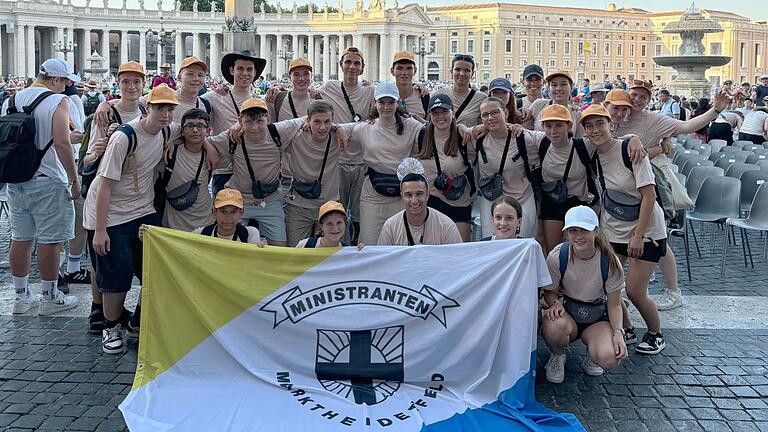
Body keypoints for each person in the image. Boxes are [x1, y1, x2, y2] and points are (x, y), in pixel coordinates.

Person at [83, 84, 181, 355]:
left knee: (160, 269)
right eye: (160, 107)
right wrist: (101, 230)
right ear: (147, 108)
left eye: (170, 108)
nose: (165, 113)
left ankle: (138, 321)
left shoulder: (168, 130)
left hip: (142, 210)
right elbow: (103, 186)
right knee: (117, 277)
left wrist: (207, 145)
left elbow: (192, 132)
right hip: (110, 214)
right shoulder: (124, 138)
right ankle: (110, 327)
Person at [581, 104, 667, 355]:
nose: (595, 130)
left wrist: (638, 236)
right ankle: (626, 328)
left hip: (647, 231)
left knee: (634, 290)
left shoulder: (631, 151)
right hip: (614, 229)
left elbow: (649, 196)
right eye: (589, 126)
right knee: (603, 283)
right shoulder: (594, 155)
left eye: (600, 123)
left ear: (611, 125)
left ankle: (655, 333)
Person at [1, 58, 81, 316]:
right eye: (66, 81)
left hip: (17, 177)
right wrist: (73, 178)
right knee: (51, 240)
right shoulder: (57, 101)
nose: (67, 86)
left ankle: (21, 296)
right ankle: (50, 295)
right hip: (48, 178)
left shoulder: (10, 101)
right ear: (55, 80)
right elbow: (60, 142)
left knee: (20, 238)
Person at [540, 206, 628, 383]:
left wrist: (618, 331)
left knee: (609, 358)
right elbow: (549, 292)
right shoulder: (558, 256)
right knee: (553, 327)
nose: (578, 235)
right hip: (568, 313)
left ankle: (593, 354)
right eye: (573, 230)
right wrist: (555, 303)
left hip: (597, 317)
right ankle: (558, 355)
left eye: (584, 230)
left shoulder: (609, 261)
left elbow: (615, 303)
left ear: (596, 232)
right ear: (566, 233)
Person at [336, 81, 424, 245]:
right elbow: (338, 127)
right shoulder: (364, 128)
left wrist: (461, 127)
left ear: (398, 103)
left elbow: (431, 132)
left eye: (391, 102)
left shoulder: (410, 125)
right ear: (374, 103)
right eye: (382, 102)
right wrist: (337, 129)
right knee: (369, 243)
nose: (386, 107)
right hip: (372, 196)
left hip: (401, 195)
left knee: (401, 243)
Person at [207, 97, 302, 246]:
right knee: (233, 246)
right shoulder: (232, 137)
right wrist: (207, 148)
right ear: (240, 121)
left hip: (270, 200)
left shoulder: (278, 131)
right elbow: (203, 139)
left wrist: (338, 128)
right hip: (239, 201)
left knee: (280, 247)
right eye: (249, 122)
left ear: (268, 119)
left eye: (259, 121)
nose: (254, 127)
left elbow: (307, 118)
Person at [317, 47, 375, 244]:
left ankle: (355, 248)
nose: (352, 67)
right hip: (337, 161)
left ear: (362, 68)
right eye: (348, 62)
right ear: (340, 65)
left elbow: (380, 117)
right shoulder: (327, 88)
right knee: (337, 211)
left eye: (356, 63)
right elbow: (311, 112)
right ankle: (339, 248)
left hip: (362, 161)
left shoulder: (370, 91)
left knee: (360, 213)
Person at [474, 97, 537, 239]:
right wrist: (460, 127)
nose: (490, 118)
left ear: (506, 113)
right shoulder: (478, 138)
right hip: (491, 199)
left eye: (495, 112)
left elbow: (547, 138)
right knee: (491, 244)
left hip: (522, 197)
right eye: (485, 115)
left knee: (522, 244)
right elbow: (457, 130)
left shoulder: (523, 138)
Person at [205, 50, 266, 196]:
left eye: (249, 69)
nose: (245, 73)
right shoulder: (214, 98)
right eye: (240, 68)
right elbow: (189, 110)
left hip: (252, 168)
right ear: (232, 70)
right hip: (225, 170)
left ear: (254, 73)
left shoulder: (261, 102)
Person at [283, 100, 341, 246]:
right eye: (317, 122)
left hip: (329, 205)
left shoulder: (338, 135)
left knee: (332, 254)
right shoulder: (295, 137)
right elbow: (270, 128)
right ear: (307, 120)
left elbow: (365, 124)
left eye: (328, 121)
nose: (322, 127)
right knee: (295, 251)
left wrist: (338, 128)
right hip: (298, 206)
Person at [418, 95, 475, 241]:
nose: (440, 116)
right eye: (435, 113)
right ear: (429, 115)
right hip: (431, 203)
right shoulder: (421, 136)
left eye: (444, 111)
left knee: (460, 252)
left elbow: (489, 130)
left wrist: (512, 125)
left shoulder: (463, 136)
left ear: (453, 113)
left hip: (458, 202)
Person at [377, 159, 462, 246]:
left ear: (428, 194)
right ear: (402, 196)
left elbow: (458, 257)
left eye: (419, 194)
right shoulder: (390, 227)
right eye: (408, 195)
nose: (414, 201)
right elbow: (381, 257)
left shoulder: (446, 226)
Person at [158, 108, 214, 231]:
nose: (195, 130)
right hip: (174, 225)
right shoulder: (169, 152)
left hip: (206, 222)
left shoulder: (214, 152)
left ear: (208, 131)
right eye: (190, 126)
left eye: (200, 126)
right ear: (182, 131)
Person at [430, 54, 488, 127]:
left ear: (472, 74)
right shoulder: (438, 94)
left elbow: (487, 125)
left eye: (467, 70)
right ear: (451, 71)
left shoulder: (482, 98)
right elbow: (429, 123)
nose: (462, 74)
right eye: (458, 69)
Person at [527, 70, 584, 137]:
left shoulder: (577, 113)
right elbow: (526, 132)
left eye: (563, 84)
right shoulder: (538, 104)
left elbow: (579, 141)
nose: (558, 88)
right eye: (554, 85)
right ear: (549, 88)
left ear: (571, 87)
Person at [193, 188, 262, 244]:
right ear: (214, 212)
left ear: (241, 213)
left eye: (233, 212)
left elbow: (255, 260)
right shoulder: (199, 234)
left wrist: (261, 252)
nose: (228, 217)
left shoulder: (250, 235)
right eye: (223, 211)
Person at [390, 51, 427, 122]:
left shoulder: (423, 96)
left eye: (409, 68)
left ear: (415, 71)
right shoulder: (386, 96)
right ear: (392, 71)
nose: (404, 73)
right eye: (399, 68)